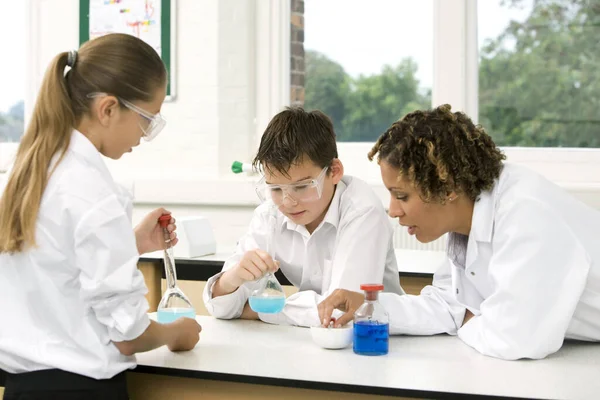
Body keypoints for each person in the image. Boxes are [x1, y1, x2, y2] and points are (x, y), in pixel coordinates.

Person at [0, 34, 200, 399]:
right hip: (82, 390)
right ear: (108, 109)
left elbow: (52, 265)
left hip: (21, 389)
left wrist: (130, 242)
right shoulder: (93, 192)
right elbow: (128, 336)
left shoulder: (26, 173)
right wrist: (178, 332)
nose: (143, 137)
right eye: (147, 120)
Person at [318, 104, 600, 360]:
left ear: (448, 187)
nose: (392, 211)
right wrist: (370, 307)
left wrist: (468, 320)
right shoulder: (467, 222)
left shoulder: (525, 213)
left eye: (402, 196)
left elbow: (516, 339)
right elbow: (447, 307)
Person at [203, 107, 404, 327]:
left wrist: (257, 310)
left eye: (301, 187)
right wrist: (234, 277)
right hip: (313, 341)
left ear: (334, 171)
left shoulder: (363, 211)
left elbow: (342, 311)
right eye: (276, 189)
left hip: (378, 340)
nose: (288, 202)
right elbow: (220, 308)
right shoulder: (270, 215)